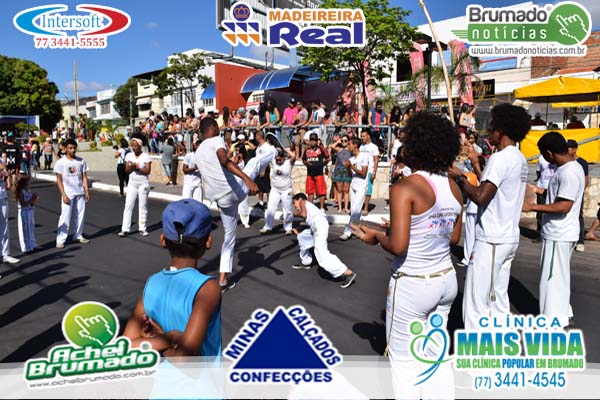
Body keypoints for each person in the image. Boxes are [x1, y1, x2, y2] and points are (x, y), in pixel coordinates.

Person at [357, 112, 462, 397]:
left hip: (413, 283)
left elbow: (398, 246)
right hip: (446, 281)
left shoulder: (404, 187)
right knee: (436, 357)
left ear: (416, 147)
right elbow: (452, 237)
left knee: (404, 365)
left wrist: (376, 236)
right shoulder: (454, 186)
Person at [450, 103, 529, 331]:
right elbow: (493, 188)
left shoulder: (500, 158)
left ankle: (476, 348)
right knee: (498, 299)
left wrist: (460, 177)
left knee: (476, 302)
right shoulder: (520, 159)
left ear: (501, 130)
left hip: (492, 238)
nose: (489, 131)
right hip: (508, 237)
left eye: (492, 126)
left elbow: (480, 196)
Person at [123, 199, 221, 357]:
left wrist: (160, 340)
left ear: (163, 240)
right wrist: (169, 338)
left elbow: (126, 346)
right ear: (208, 241)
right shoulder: (207, 288)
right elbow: (185, 360)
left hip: (157, 373)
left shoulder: (153, 282)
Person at [195, 118, 277, 291]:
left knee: (229, 238)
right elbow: (224, 161)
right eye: (218, 126)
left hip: (221, 201)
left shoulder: (198, 151)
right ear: (213, 127)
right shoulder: (216, 140)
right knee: (254, 163)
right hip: (234, 191)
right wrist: (247, 179)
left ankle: (222, 280)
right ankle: (274, 151)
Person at [522, 131, 584, 328]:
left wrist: (532, 207)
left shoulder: (568, 173)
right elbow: (558, 194)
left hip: (559, 233)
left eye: (543, 154)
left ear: (549, 153)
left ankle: (553, 322)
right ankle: (564, 313)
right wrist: (538, 190)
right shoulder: (570, 168)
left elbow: (564, 205)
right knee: (559, 277)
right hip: (563, 232)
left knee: (551, 280)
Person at [292, 193, 357, 288]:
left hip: (319, 224)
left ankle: (347, 272)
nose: (295, 206)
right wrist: (298, 233)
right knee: (302, 237)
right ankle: (306, 261)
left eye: (294, 203)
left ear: (299, 199)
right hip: (316, 226)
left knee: (320, 252)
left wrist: (294, 213)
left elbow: (303, 215)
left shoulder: (302, 201)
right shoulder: (308, 206)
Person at [54, 139, 90, 248]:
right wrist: (63, 194)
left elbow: (84, 176)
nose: (73, 150)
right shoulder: (60, 162)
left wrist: (86, 190)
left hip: (80, 192)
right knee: (65, 216)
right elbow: (59, 180)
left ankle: (78, 235)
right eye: (70, 148)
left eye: (74, 148)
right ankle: (60, 239)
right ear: (65, 148)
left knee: (79, 216)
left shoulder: (81, 161)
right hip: (68, 193)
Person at [118, 138, 151, 237]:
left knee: (143, 206)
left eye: (135, 146)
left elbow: (147, 171)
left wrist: (138, 167)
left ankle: (142, 228)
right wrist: (131, 166)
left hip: (143, 183)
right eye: (132, 145)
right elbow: (127, 170)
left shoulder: (146, 156)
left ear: (140, 146)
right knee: (128, 205)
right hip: (132, 183)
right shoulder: (129, 156)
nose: (134, 148)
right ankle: (125, 229)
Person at [260, 147, 296, 235]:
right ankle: (267, 227)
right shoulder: (274, 161)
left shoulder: (289, 163)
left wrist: (286, 150)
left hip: (286, 190)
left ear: (284, 158)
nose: (278, 161)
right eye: (277, 160)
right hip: (275, 189)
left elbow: (294, 156)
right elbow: (268, 155)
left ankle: (288, 228)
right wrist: (274, 150)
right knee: (270, 208)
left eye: (280, 160)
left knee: (287, 209)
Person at [340, 137, 369, 241]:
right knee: (354, 210)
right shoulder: (352, 159)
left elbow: (363, 173)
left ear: (355, 145)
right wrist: (348, 167)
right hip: (353, 185)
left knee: (356, 210)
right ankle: (360, 227)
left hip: (362, 185)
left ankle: (347, 231)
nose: (348, 146)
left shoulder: (364, 156)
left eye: (350, 144)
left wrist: (351, 166)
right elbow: (350, 174)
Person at [566, 139, 589, 252]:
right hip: (566, 193)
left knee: (578, 216)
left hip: (577, 194)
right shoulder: (565, 161)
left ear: (575, 149)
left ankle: (580, 241)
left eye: (569, 148)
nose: (567, 150)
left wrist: (579, 192)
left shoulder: (582, 162)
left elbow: (586, 179)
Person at [302, 133, 330, 210]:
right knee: (310, 192)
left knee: (321, 191)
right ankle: (310, 208)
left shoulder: (321, 149)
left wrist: (322, 165)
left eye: (314, 140)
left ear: (317, 141)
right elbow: (303, 160)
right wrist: (306, 164)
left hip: (319, 173)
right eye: (311, 140)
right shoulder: (307, 150)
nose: (313, 142)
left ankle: (322, 208)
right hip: (310, 173)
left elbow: (328, 158)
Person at [0, 161, 19, 265]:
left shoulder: (1, 162)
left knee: (4, 225)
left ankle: (4, 254)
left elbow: (4, 176)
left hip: (2, 195)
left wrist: (7, 178)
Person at [534, 155, 557, 240]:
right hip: (542, 187)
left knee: (553, 212)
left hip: (553, 190)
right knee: (540, 213)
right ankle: (539, 234)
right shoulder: (541, 159)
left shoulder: (557, 158)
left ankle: (551, 233)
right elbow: (538, 172)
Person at [15, 175, 38, 253]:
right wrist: (31, 200)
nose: (29, 183)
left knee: (31, 228)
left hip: (30, 210)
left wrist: (33, 200)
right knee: (26, 229)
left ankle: (32, 245)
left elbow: (31, 203)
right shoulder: (21, 191)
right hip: (24, 211)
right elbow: (23, 203)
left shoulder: (28, 190)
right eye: (28, 182)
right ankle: (27, 247)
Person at [330, 135, 352, 213]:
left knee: (346, 190)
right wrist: (338, 141)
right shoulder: (339, 149)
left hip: (347, 170)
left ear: (348, 141)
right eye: (342, 141)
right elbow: (332, 146)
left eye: (345, 141)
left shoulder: (350, 149)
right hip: (339, 170)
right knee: (339, 190)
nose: (343, 142)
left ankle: (346, 207)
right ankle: (340, 207)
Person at [359, 129, 379, 216]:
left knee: (368, 190)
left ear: (368, 136)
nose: (362, 138)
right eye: (361, 136)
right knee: (360, 190)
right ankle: (359, 207)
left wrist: (374, 172)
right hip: (360, 171)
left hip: (369, 171)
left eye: (364, 136)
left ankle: (366, 208)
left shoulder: (374, 147)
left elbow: (376, 160)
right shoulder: (360, 146)